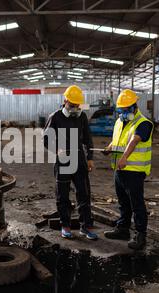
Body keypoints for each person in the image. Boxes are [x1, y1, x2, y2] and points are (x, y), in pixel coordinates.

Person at [43, 85, 97, 240]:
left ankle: (85, 226)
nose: (74, 108)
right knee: (63, 195)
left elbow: (88, 139)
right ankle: (65, 226)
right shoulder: (55, 117)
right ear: (65, 101)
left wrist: (90, 158)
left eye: (77, 106)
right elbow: (46, 139)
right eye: (72, 105)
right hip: (63, 161)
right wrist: (56, 149)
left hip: (79, 160)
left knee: (84, 194)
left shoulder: (82, 117)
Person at [102, 89, 154, 250]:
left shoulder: (143, 123)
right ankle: (123, 229)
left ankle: (140, 235)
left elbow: (134, 140)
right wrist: (109, 147)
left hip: (134, 171)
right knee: (123, 202)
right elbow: (117, 140)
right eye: (121, 111)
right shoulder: (119, 122)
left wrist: (124, 157)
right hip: (119, 169)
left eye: (126, 110)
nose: (123, 113)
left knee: (136, 203)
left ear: (134, 107)